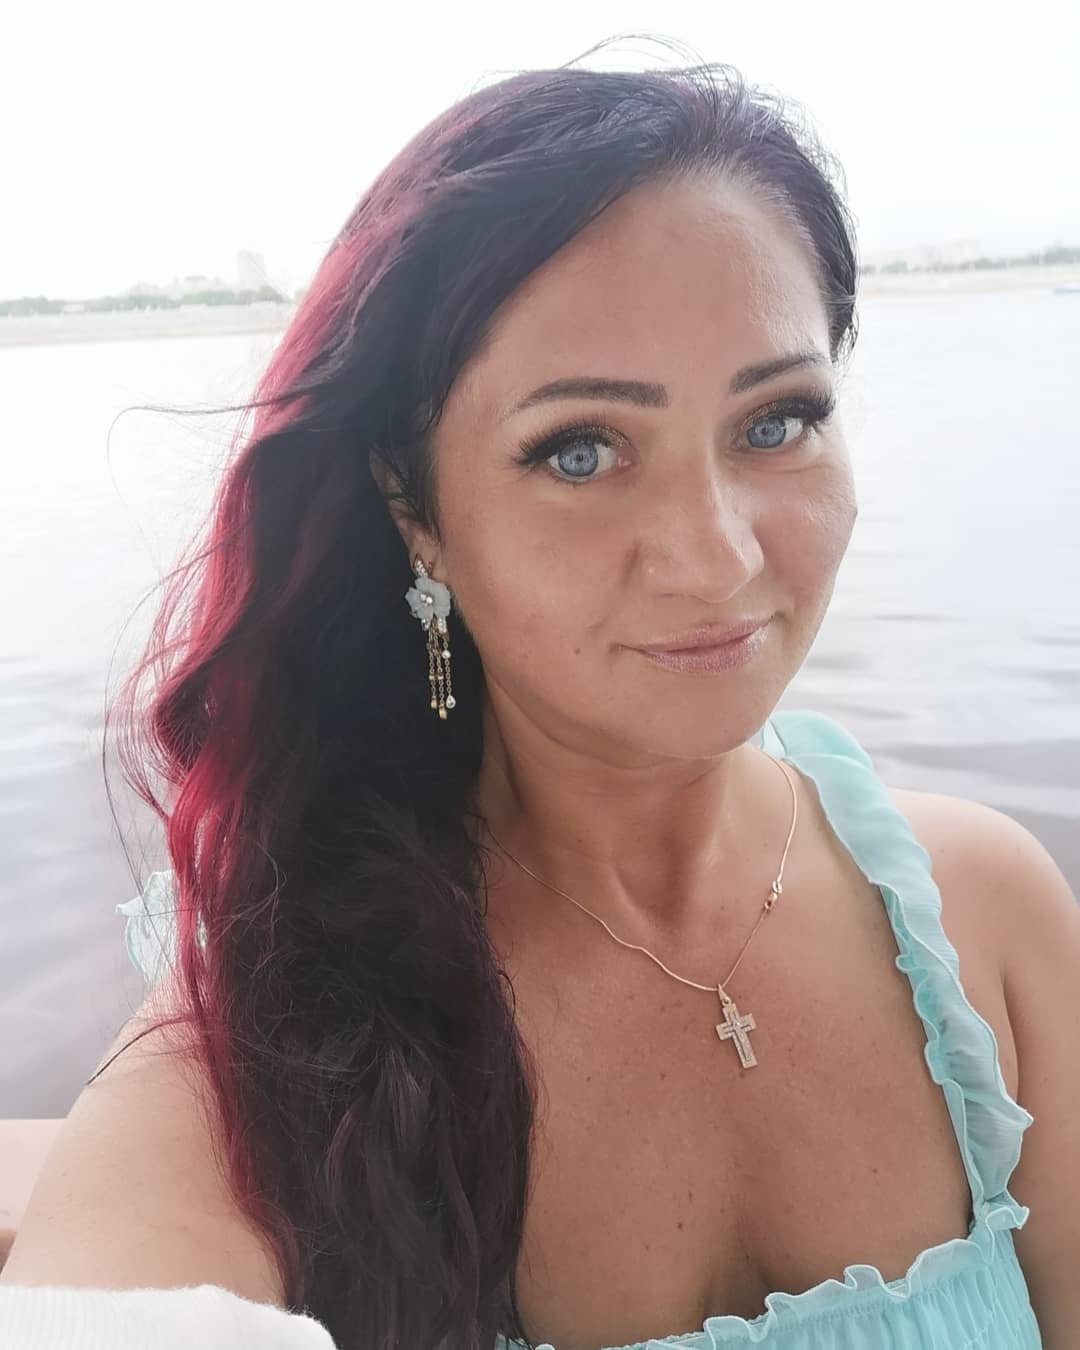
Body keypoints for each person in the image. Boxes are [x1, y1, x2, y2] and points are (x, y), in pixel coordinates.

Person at [3, 38, 1078, 1350]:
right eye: (579, 450)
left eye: (776, 419)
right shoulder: (280, 1019)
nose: (717, 556)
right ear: (416, 510)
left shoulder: (985, 922)